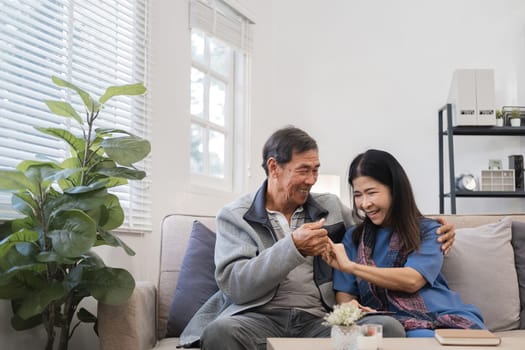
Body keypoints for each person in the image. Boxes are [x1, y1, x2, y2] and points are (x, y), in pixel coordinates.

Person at [179, 127, 456, 349]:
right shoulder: (234, 216)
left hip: (320, 321)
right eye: (304, 170)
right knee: (220, 333)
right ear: (274, 168)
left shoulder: (330, 207)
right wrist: (293, 247)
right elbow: (235, 286)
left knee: (389, 329)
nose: (312, 180)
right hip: (258, 319)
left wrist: (430, 224)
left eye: (316, 169)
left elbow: (377, 217)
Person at [324, 149, 485, 337]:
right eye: (358, 194)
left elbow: (412, 280)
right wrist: (349, 306)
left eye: (371, 193)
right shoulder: (353, 238)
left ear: (395, 190)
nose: (365, 203)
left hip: (446, 315)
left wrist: (352, 267)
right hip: (391, 323)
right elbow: (345, 293)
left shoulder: (431, 231)